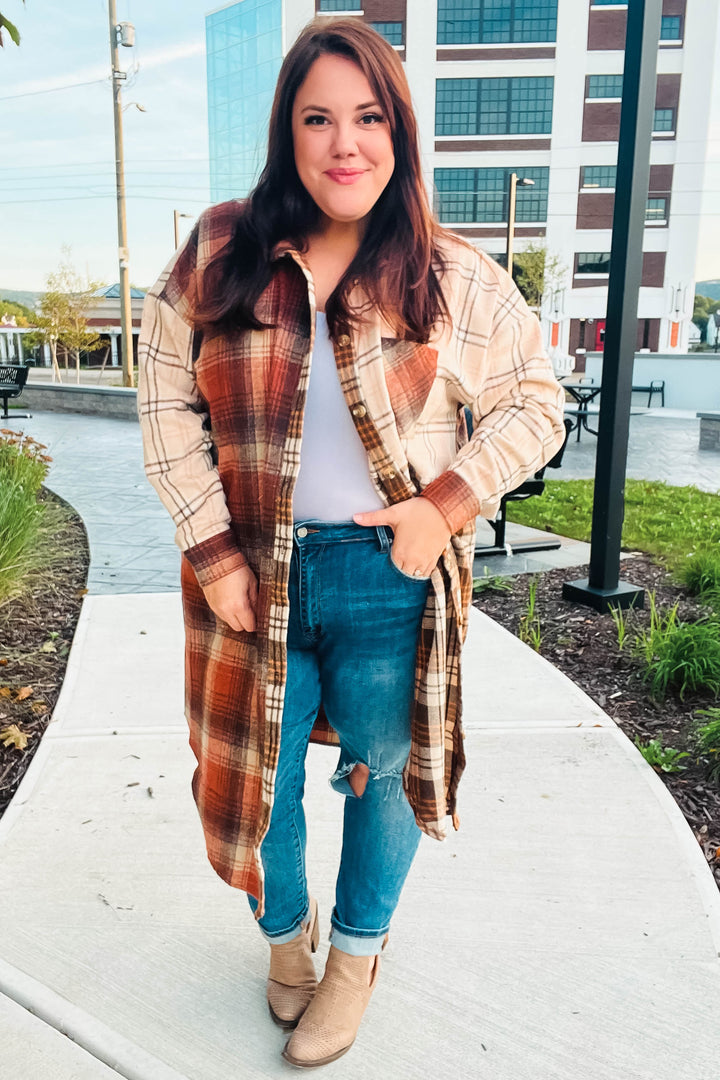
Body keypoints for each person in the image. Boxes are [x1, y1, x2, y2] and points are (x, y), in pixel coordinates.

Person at [137, 17, 565, 1069]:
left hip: (390, 577)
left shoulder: (447, 271)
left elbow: (535, 400)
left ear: (398, 132)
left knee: (385, 774)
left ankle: (357, 957)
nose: (344, 144)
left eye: (368, 118)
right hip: (251, 579)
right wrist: (211, 551)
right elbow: (163, 403)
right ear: (287, 131)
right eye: (318, 118)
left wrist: (445, 506)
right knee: (256, 782)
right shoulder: (223, 250)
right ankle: (288, 938)